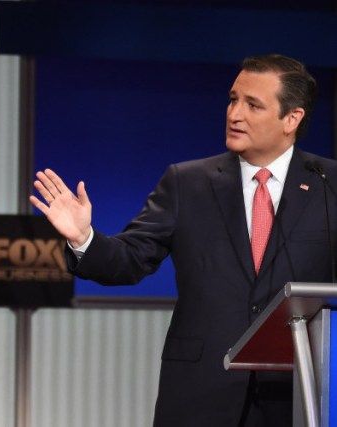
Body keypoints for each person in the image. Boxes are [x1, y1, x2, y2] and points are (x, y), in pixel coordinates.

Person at [30, 54, 335, 426]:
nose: (235, 113)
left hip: (297, 395)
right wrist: (84, 238)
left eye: (253, 104)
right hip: (200, 393)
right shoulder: (187, 182)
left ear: (292, 118)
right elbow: (130, 259)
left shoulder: (327, 184)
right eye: (233, 99)